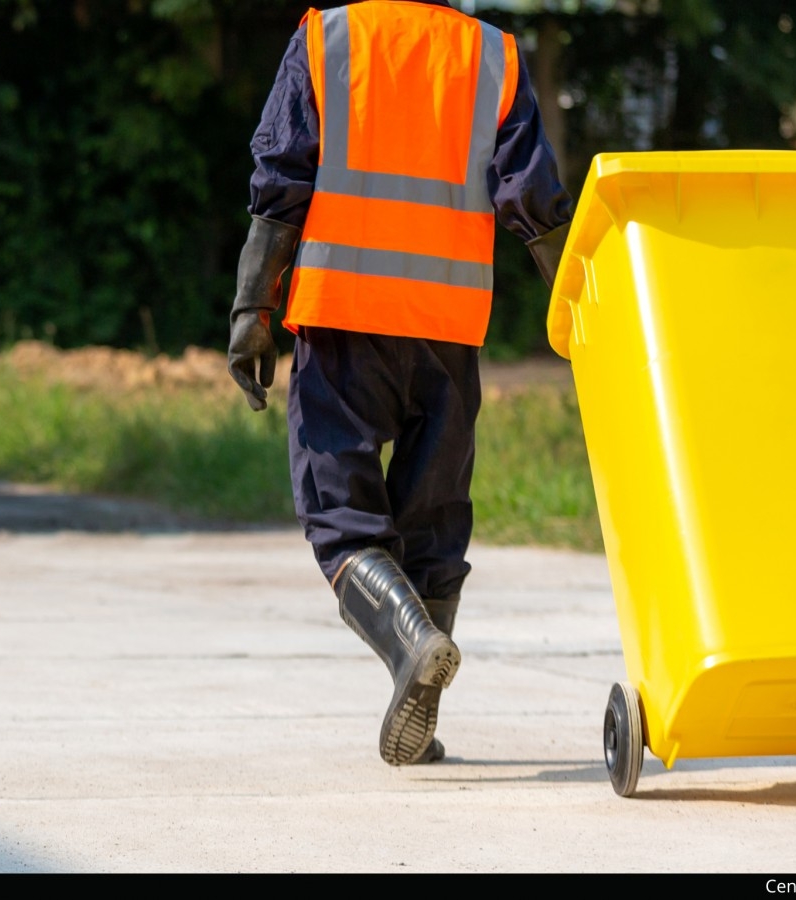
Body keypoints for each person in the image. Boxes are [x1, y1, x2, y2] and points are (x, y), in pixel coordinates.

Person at [227, 0, 573, 767]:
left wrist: (254, 305)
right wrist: (583, 304)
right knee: (433, 516)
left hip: (344, 313)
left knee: (342, 516)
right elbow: (532, 197)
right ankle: (419, 704)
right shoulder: (493, 55)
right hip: (448, 323)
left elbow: (282, 173)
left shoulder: (328, 38)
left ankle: (410, 645)